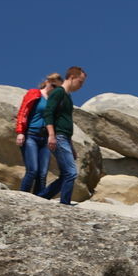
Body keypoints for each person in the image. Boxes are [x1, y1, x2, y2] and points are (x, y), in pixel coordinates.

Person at [41, 66, 86, 206]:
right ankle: (65, 204)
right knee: (71, 173)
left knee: (66, 174)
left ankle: (41, 198)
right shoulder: (58, 93)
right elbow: (48, 113)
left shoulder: (68, 97)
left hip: (64, 138)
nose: (81, 86)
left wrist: (71, 146)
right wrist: (51, 135)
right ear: (72, 77)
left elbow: (65, 121)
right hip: (58, 137)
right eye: (80, 82)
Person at [14, 73, 61, 194]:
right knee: (32, 170)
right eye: (53, 84)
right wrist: (20, 132)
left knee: (42, 174)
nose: (54, 88)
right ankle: (22, 197)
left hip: (45, 139)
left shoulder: (53, 101)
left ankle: (38, 200)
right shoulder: (34, 93)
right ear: (47, 82)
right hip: (31, 135)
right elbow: (23, 112)